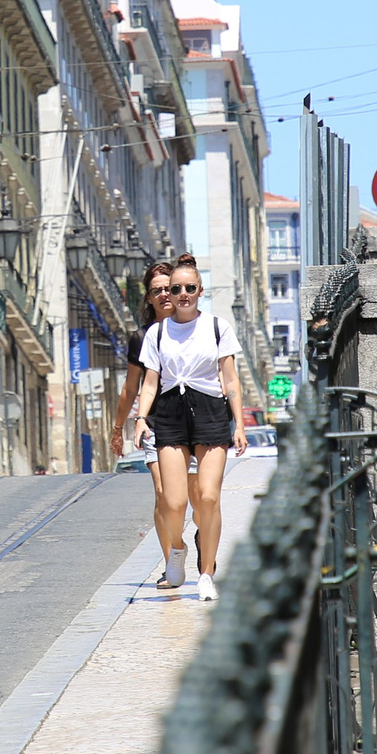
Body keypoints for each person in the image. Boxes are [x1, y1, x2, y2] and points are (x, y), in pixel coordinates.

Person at [123, 255, 247, 603]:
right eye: (175, 289)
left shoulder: (217, 327)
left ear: (200, 290)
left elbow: (230, 378)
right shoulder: (157, 333)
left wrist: (239, 424)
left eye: (188, 288)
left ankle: (205, 573)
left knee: (207, 497)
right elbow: (149, 383)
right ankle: (176, 549)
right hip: (170, 413)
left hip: (209, 411)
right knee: (173, 502)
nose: (181, 294)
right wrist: (140, 418)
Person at [110, 261, 187, 587]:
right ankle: (172, 562)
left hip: (194, 422)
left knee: (192, 498)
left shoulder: (197, 329)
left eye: (166, 288)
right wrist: (118, 429)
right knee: (162, 493)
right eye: (155, 291)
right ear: (149, 299)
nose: (163, 295)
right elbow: (131, 388)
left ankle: (190, 547)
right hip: (155, 422)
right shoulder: (140, 338)